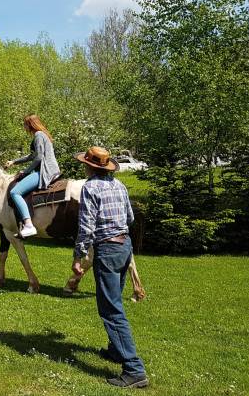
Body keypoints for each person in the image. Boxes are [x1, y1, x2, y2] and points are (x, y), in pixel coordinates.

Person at [72, 146, 149, 389]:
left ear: (90, 166)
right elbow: (130, 218)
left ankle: (134, 369)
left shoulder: (90, 188)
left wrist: (78, 257)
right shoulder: (120, 186)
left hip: (107, 250)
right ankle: (116, 351)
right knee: (115, 301)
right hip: (124, 247)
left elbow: (86, 227)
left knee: (111, 310)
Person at [4, 114, 60, 238]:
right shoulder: (42, 135)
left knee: (15, 193)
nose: (24, 127)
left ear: (30, 124)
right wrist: (14, 161)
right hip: (50, 169)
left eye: (25, 124)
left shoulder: (38, 135)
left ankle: (29, 225)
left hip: (46, 171)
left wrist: (26, 172)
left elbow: (39, 158)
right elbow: (32, 156)